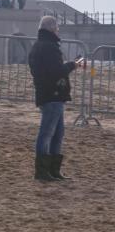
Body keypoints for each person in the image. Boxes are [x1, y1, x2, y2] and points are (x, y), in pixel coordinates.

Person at [28, 16, 77, 181]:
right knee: (48, 132)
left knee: (57, 133)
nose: (58, 31)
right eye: (57, 28)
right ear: (51, 29)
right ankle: (43, 171)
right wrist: (72, 65)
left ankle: (52, 171)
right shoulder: (49, 47)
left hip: (47, 94)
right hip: (53, 95)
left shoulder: (38, 46)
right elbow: (57, 71)